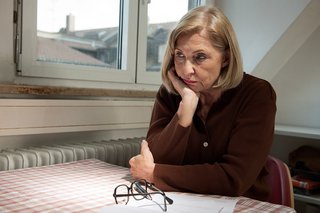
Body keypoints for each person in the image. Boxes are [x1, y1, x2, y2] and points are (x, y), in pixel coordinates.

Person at [129, 5, 276, 202]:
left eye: (200, 57)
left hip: (244, 204)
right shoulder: (170, 93)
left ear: (225, 58)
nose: (186, 70)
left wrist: (156, 174)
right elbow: (155, 158)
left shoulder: (256, 94)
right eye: (180, 55)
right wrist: (184, 115)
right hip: (183, 202)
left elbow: (234, 178)